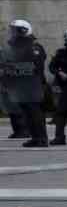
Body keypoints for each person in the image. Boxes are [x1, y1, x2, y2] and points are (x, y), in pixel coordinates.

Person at [3, 19, 49, 147]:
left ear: (23, 30)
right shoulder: (14, 48)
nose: (13, 33)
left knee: (35, 112)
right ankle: (35, 137)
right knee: (26, 113)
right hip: (20, 85)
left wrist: (14, 68)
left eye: (15, 30)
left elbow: (36, 66)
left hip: (32, 84)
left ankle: (42, 138)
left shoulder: (34, 47)